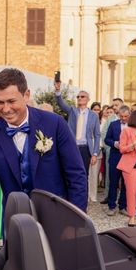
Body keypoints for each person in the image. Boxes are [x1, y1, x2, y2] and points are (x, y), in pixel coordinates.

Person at [0, 68, 86, 234]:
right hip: (16, 222)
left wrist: (75, 224)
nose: (5, 109)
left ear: (26, 95)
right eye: (0, 102)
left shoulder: (54, 124)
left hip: (58, 218)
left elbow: (76, 175)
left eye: (11, 101)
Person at [53, 81, 100, 210]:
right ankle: (69, 202)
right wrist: (58, 91)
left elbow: (97, 135)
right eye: (78, 96)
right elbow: (61, 104)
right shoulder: (73, 111)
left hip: (85, 149)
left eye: (82, 96)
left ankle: (82, 204)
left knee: (83, 176)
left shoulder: (93, 116)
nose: (79, 98)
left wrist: (95, 153)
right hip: (72, 147)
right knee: (68, 173)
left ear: (88, 99)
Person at [104, 106, 130, 216]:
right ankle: (111, 206)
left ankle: (123, 206)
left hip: (128, 158)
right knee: (113, 183)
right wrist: (115, 143)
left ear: (129, 115)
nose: (123, 118)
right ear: (118, 115)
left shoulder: (133, 126)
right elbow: (106, 139)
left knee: (125, 183)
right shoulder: (113, 124)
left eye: (125, 116)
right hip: (115, 157)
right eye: (121, 116)